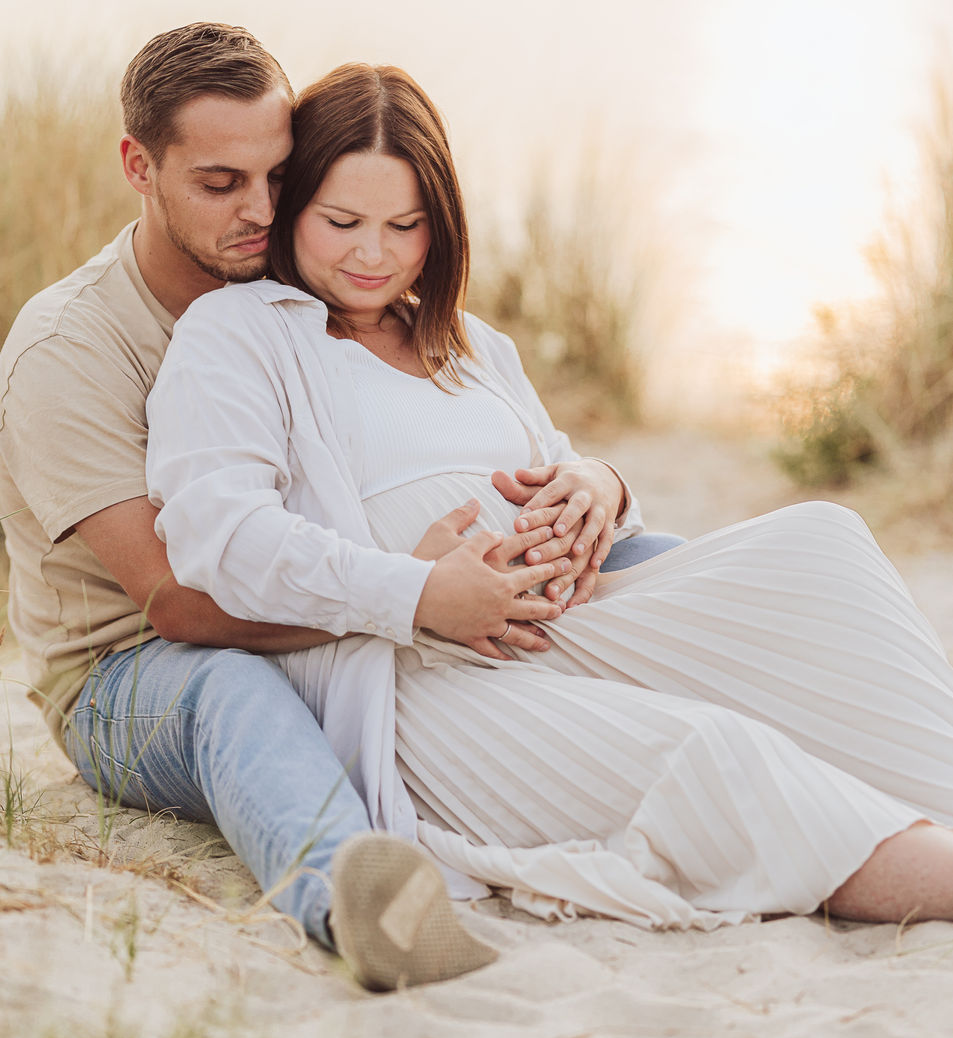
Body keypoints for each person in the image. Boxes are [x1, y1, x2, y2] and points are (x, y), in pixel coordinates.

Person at [147, 62, 953, 933]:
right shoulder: (241, 334)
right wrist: (418, 593)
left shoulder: (472, 345)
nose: (372, 254)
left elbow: (566, 475)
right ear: (293, 205)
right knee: (713, 750)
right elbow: (220, 537)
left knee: (823, 547)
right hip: (428, 676)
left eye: (404, 226)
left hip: (576, 622)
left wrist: (599, 485)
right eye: (340, 222)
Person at [0, 21, 679, 990]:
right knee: (231, 693)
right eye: (220, 182)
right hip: (135, 674)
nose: (259, 210)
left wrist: (595, 488)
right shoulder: (71, 349)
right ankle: (355, 898)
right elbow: (175, 603)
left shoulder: (296, 289)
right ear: (139, 167)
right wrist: (411, 597)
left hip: (342, 595)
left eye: (280, 176)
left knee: (651, 565)